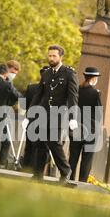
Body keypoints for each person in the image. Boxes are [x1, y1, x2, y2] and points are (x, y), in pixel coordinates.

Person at [26, 45, 79, 184]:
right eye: (49, 55)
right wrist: (29, 114)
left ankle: (65, 171)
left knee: (54, 142)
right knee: (40, 143)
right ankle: (38, 175)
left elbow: (73, 96)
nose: (51, 58)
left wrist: (73, 117)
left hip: (59, 113)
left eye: (54, 56)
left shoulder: (69, 73)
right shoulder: (46, 73)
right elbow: (38, 95)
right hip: (44, 113)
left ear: (61, 57)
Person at [69, 67, 103, 182]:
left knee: (73, 157)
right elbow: (98, 115)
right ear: (94, 78)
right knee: (87, 159)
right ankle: (82, 182)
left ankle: (69, 179)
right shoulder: (95, 93)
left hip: (77, 128)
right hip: (91, 130)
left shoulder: (77, 90)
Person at [22, 66, 50, 170]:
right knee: (42, 148)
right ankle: (37, 170)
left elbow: (23, 105)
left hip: (31, 120)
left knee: (29, 146)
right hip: (45, 122)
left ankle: (26, 168)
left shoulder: (31, 87)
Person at [0, 60, 22, 168]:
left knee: (6, 141)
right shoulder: (2, 81)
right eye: (12, 72)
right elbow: (15, 95)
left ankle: (1, 163)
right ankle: (0, 163)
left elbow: (15, 96)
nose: (13, 75)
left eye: (15, 74)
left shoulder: (9, 82)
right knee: (3, 140)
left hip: (5, 112)